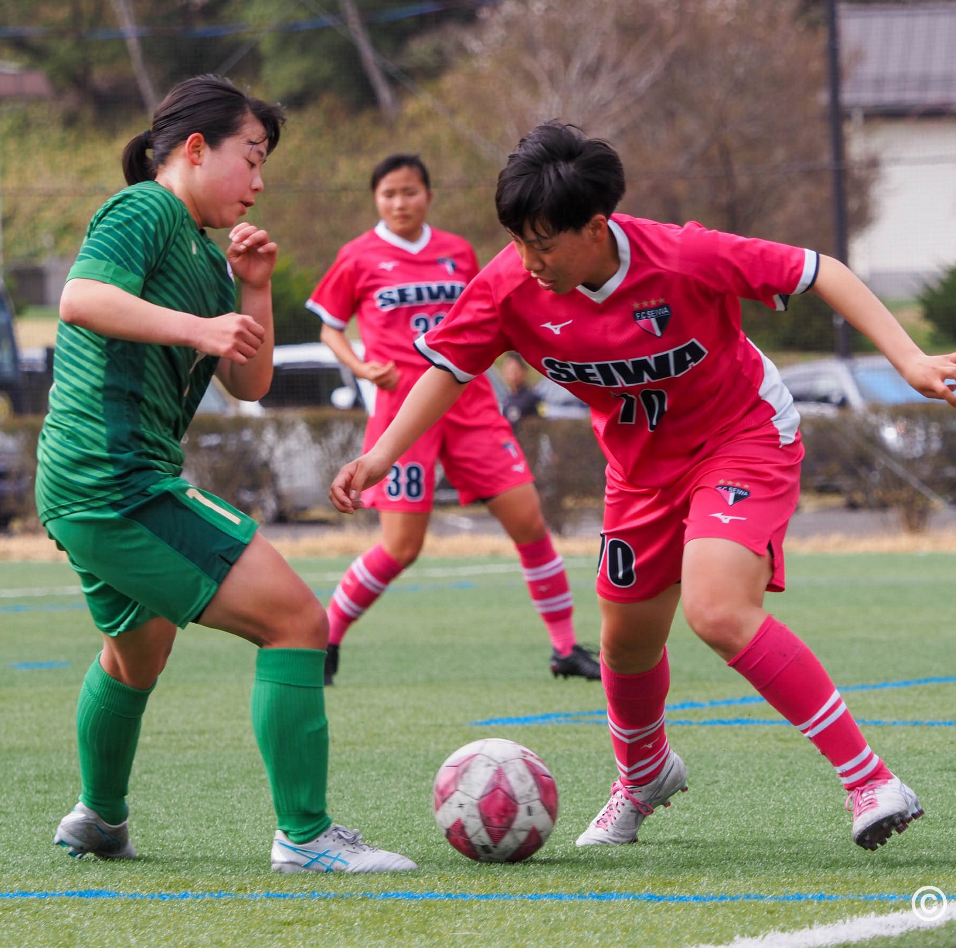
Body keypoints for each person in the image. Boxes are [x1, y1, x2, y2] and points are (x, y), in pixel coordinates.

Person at [330, 122, 956, 852]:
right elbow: (448, 367)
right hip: (639, 472)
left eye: (543, 243)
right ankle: (643, 778)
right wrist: (382, 454)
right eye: (517, 241)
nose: (528, 260)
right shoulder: (510, 285)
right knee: (626, 646)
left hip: (743, 438)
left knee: (717, 609)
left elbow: (818, 269)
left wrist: (910, 359)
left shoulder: (684, 255)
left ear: (597, 228)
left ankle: (870, 780)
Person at [36, 75, 414, 873]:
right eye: (252, 156)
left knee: (136, 654)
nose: (260, 180)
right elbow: (79, 298)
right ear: (196, 149)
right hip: (116, 479)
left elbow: (249, 383)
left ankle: (99, 818)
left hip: (90, 483)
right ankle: (305, 838)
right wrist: (198, 325)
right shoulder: (145, 209)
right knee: (297, 623)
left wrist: (250, 291)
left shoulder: (208, 261)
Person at [306, 153, 599, 686]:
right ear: (376, 199)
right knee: (401, 547)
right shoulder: (358, 256)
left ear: (429, 195)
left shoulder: (457, 252)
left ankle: (564, 648)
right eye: (389, 193)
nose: (400, 202)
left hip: (470, 403)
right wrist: (361, 366)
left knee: (530, 524)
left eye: (410, 191)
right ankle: (325, 636)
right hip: (403, 412)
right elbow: (330, 327)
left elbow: (494, 312)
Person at [498, 351, 544, 425]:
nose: (512, 374)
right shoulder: (506, 399)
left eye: (515, 370)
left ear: (523, 371)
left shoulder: (531, 397)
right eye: (509, 370)